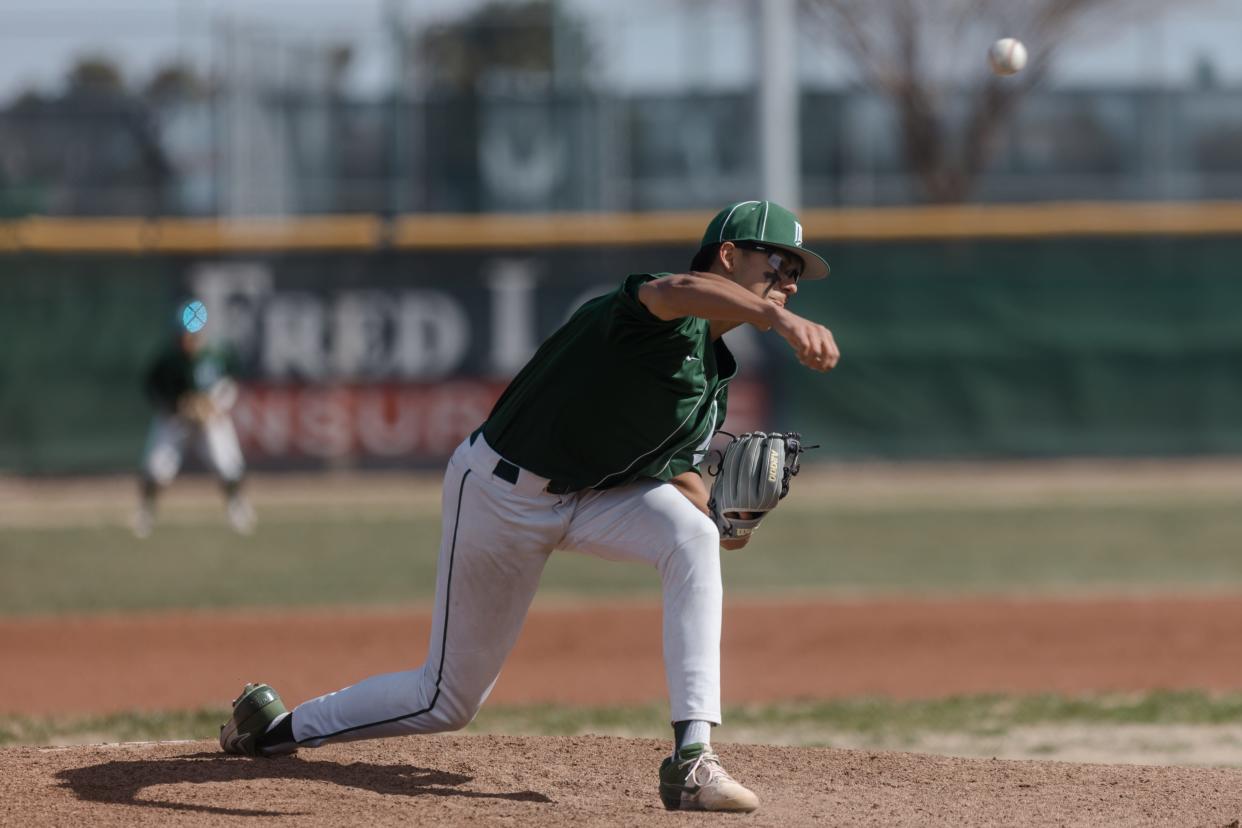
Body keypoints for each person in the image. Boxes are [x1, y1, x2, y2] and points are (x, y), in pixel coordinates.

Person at [219, 200, 839, 813]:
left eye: (794, 275)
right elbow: (678, 287)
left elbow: (676, 473)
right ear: (728, 255)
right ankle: (273, 730)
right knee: (445, 703)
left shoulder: (710, 383)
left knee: (692, 540)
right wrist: (774, 320)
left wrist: (730, 525)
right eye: (777, 263)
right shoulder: (654, 312)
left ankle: (692, 760)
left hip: (591, 499)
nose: (787, 282)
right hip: (500, 494)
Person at [131, 322, 256, 538]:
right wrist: (177, 406)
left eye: (193, 336)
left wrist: (217, 406)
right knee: (156, 467)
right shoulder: (168, 360)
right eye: (185, 336)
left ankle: (237, 508)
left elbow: (230, 384)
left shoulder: (217, 354)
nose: (189, 341)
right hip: (175, 421)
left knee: (228, 464)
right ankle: (145, 512)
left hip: (210, 420)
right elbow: (153, 390)